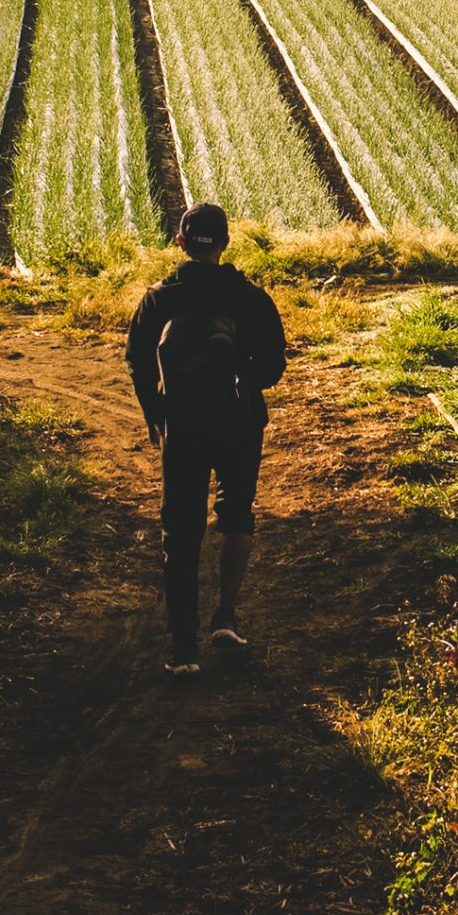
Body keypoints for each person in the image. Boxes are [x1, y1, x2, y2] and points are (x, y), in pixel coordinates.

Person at [126, 202, 287, 676]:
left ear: (179, 242)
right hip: (238, 422)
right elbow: (274, 364)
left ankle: (182, 645)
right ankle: (226, 617)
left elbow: (136, 360)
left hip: (182, 423)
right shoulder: (247, 296)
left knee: (181, 526)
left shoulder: (160, 298)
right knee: (236, 514)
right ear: (226, 243)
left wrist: (156, 413)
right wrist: (243, 383)